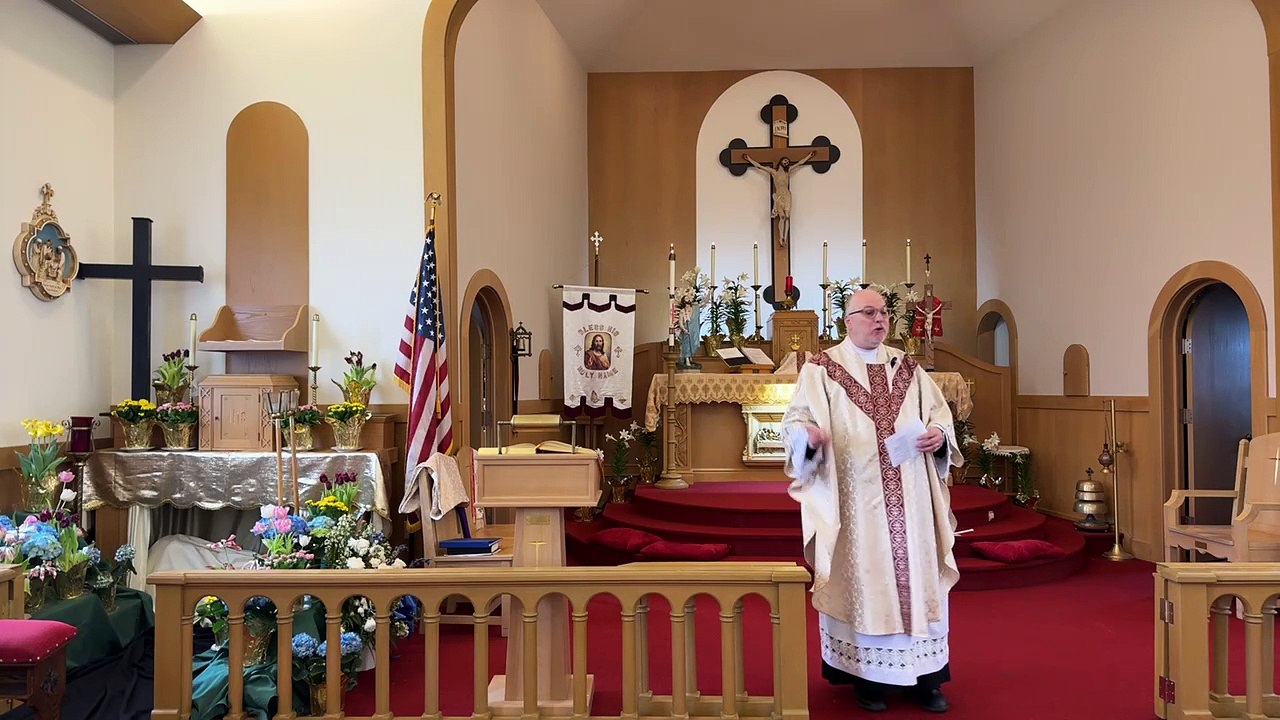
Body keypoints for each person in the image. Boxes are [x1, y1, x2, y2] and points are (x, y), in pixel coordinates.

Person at [782, 288, 960, 713]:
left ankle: (928, 677)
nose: (879, 320)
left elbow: (940, 416)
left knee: (920, 578)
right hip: (857, 504)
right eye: (868, 312)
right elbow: (797, 420)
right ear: (847, 320)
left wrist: (939, 437)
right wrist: (806, 436)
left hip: (912, 501)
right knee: (866, 580)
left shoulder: (909, 368)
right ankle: (867, 677)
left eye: (883, 313)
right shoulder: (822, 369)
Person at [743, 151, 814, 246]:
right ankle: (781, 238)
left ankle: (785, 236)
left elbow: (799, 163)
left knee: (788, 217)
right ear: (781, 161)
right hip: (779, 196)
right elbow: (759, 166)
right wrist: (749, 159)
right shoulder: (774, 172)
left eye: (788, 162)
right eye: (785, 161)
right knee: (782, 217)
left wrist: (809, 156)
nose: (786, 163)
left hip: (787, 195)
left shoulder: (787, 171)